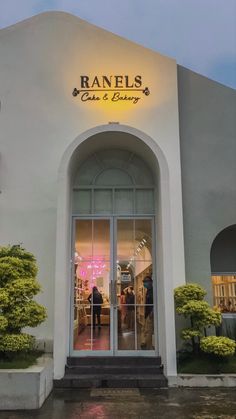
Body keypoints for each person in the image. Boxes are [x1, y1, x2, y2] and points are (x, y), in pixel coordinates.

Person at [141, 276, 154, 349]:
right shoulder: (148, 291)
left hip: (150, 313)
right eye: (144, 282)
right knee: (144, 329)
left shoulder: (152, 291)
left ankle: (147, 345)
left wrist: (152, 312)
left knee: (148, 330)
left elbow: (154, 302)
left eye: (146, 282)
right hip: (146, 313)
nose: (144, 284)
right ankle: (144, 342)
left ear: (150, 282)